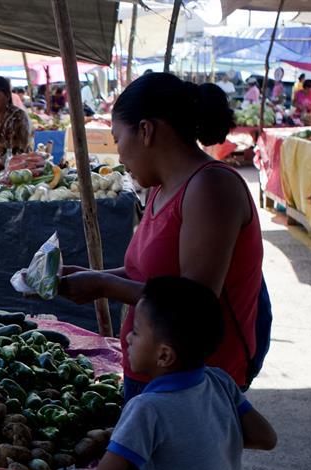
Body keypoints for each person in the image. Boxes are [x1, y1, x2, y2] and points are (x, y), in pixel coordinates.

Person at [56, 72, 262, 398]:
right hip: (154, 370)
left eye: (117, 139)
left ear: (146, 130)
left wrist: (102, 285)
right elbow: (150, 276)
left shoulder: (210, 188)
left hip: (195, 384)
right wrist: (93, 277)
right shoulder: (161, 188)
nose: (119, 156)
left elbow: (194, 302)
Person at [94, 276, 276, 470]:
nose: (127, 340)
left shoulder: (146, 410)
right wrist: (206, 439)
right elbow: (267, 437)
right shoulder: (219, 381)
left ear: (164, 356)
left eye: (135, 332)